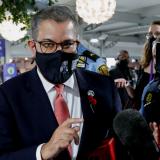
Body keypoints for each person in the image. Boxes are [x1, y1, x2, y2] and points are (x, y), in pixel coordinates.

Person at [0, 5, 122, 160]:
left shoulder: (104, 87)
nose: (59, 53)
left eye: (67, 44)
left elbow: (118, 142)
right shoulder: (8, 95)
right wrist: (42, 152)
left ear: (76, 45)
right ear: (33, 47)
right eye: (48, 44)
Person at [134, 21, 160, 110]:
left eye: (157, 34)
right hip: (140, 115)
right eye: (150, 34)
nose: (152, 37)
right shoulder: (144, 63)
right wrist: (126, 85)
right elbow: (137, 93)